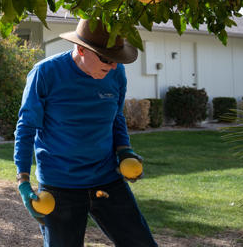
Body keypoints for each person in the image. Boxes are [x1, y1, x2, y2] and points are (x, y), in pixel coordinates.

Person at [14, 18, 157, 247]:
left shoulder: (116, 74)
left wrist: (124, 150)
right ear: (81, 49)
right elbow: (26, 127)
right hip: (60, 185)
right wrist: (23, 181)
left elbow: (116, 117)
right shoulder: (46, 74)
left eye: (116, 60)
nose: (113, 66)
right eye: (106, 58)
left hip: (107, 179)